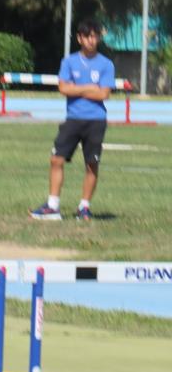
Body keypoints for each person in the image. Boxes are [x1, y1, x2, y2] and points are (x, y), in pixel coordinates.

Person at [30, 19, 115, 221]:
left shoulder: (106, 64)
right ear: (79, 38)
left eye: (94, 36)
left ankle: (84, 208)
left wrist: (76, 88)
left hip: (96, 120)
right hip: (73, 119)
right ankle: (53, 207)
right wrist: (89, 88)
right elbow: (63, 88)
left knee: (92, 164)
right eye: (87, 36)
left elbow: (103, 94)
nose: (91, 40)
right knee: (56, 159)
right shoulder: (69, 62)